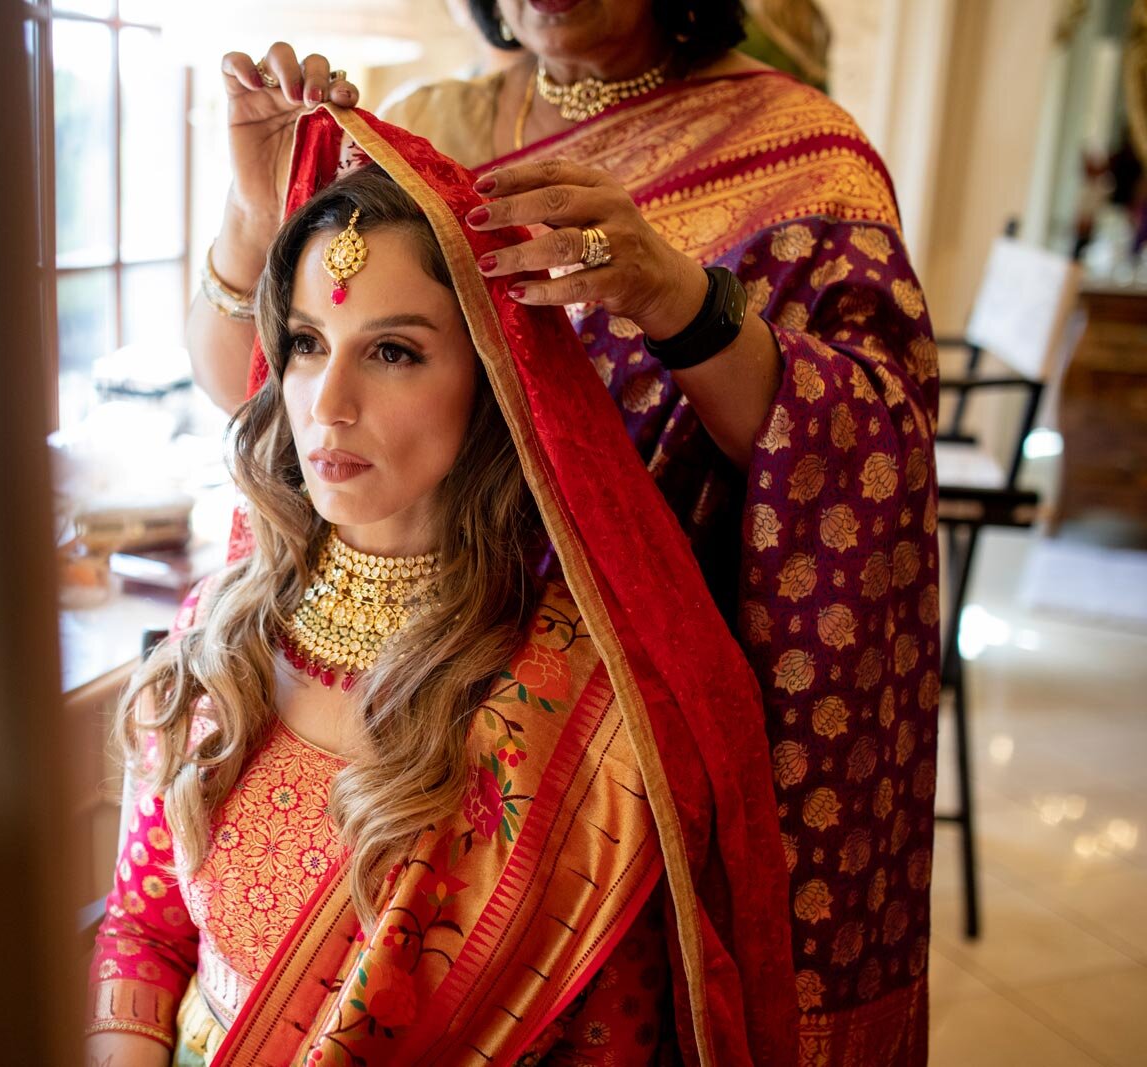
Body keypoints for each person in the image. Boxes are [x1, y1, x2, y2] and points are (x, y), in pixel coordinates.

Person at [192, 3, 939, 1064]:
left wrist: (676, 297)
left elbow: (874, 445)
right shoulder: (432, 118)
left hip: (614, 698)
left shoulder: (798, 153)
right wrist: (247, 210)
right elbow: (271, 398)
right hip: (404, 654)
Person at [88, 109, 799, 1066]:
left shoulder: (574, 713)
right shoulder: (221, 631)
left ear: (495, 379)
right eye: (305, 341)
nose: (327, 402)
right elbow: (145, 932)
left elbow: (604, 1046)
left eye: (392, 351)